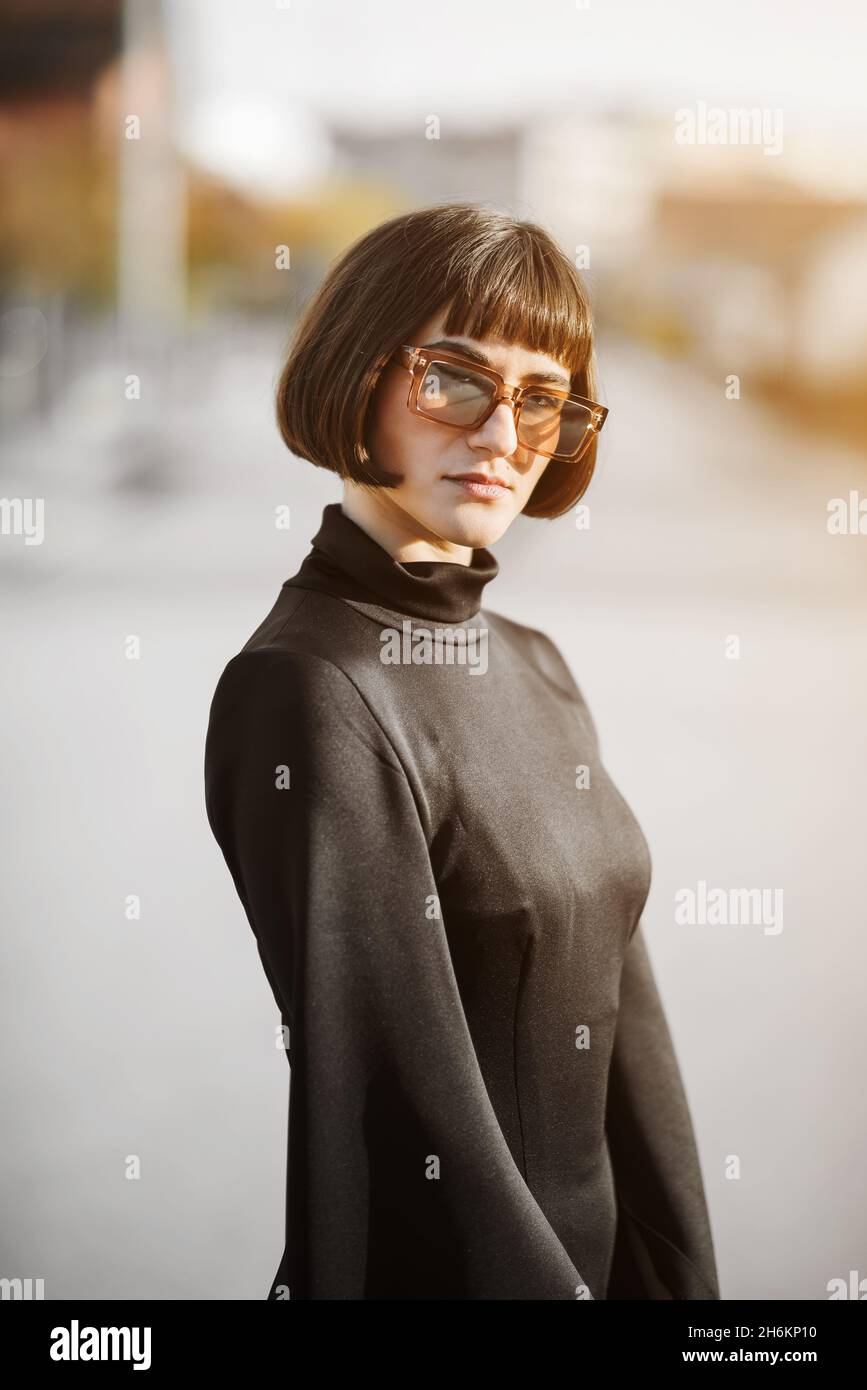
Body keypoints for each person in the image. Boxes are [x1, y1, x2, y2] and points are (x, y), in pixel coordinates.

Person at [203, 202, 721, 1301]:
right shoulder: (309, 688)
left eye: (543, 400)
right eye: (455, 378)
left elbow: (635, 1053)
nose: (500, 437)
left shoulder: (535, 662)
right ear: (357, 371)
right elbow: (397, 1108)